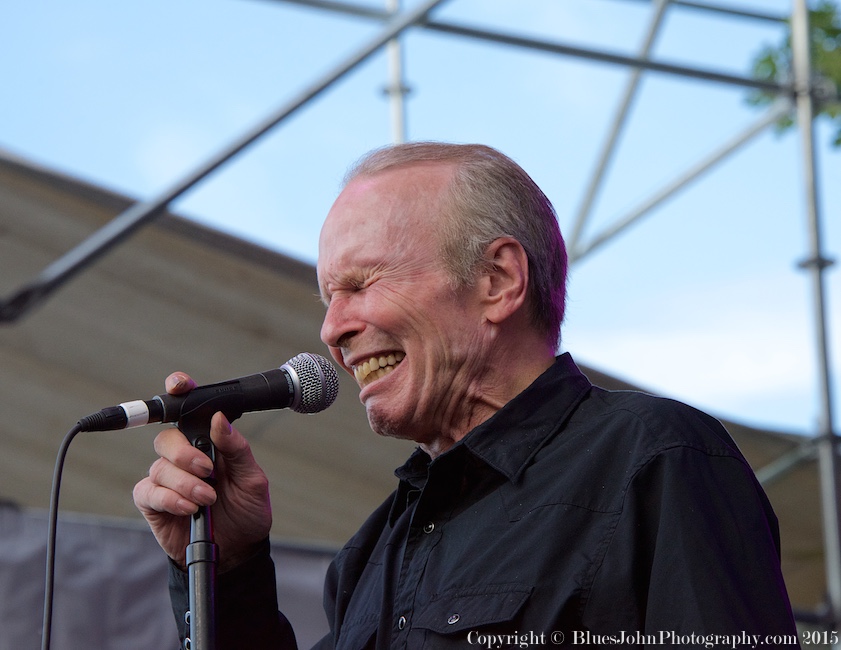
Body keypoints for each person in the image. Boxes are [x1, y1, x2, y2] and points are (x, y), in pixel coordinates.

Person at [133, 142, 799, 648]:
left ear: (498, 279)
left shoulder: (656, 460)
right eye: (328, 298)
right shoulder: (374, 549)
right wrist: (227, 563)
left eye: (360, 284)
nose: (331, 328)